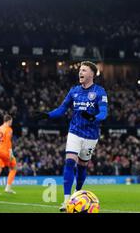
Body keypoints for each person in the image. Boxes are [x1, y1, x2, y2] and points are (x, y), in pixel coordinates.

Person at [33, 61, 108, 211]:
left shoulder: (99, 92)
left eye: (84, 70)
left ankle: (77, 193)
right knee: (69, 162)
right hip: (74, 131)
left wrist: (94, 118)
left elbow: (104, 112)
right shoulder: (74, 91)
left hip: (91, 136)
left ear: (92, 74)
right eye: (80, 70)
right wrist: (47, 115)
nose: (80, 72)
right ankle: (66, 200)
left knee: (82, 167)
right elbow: (62, 109)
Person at [0, 115, 17, 195]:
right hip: (5, 151)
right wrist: (11, 153)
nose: (12, 123)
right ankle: (8, 188)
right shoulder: (9, 129)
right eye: (11, 121)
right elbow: (8, 142)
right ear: (9, 120)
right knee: (14, 167)